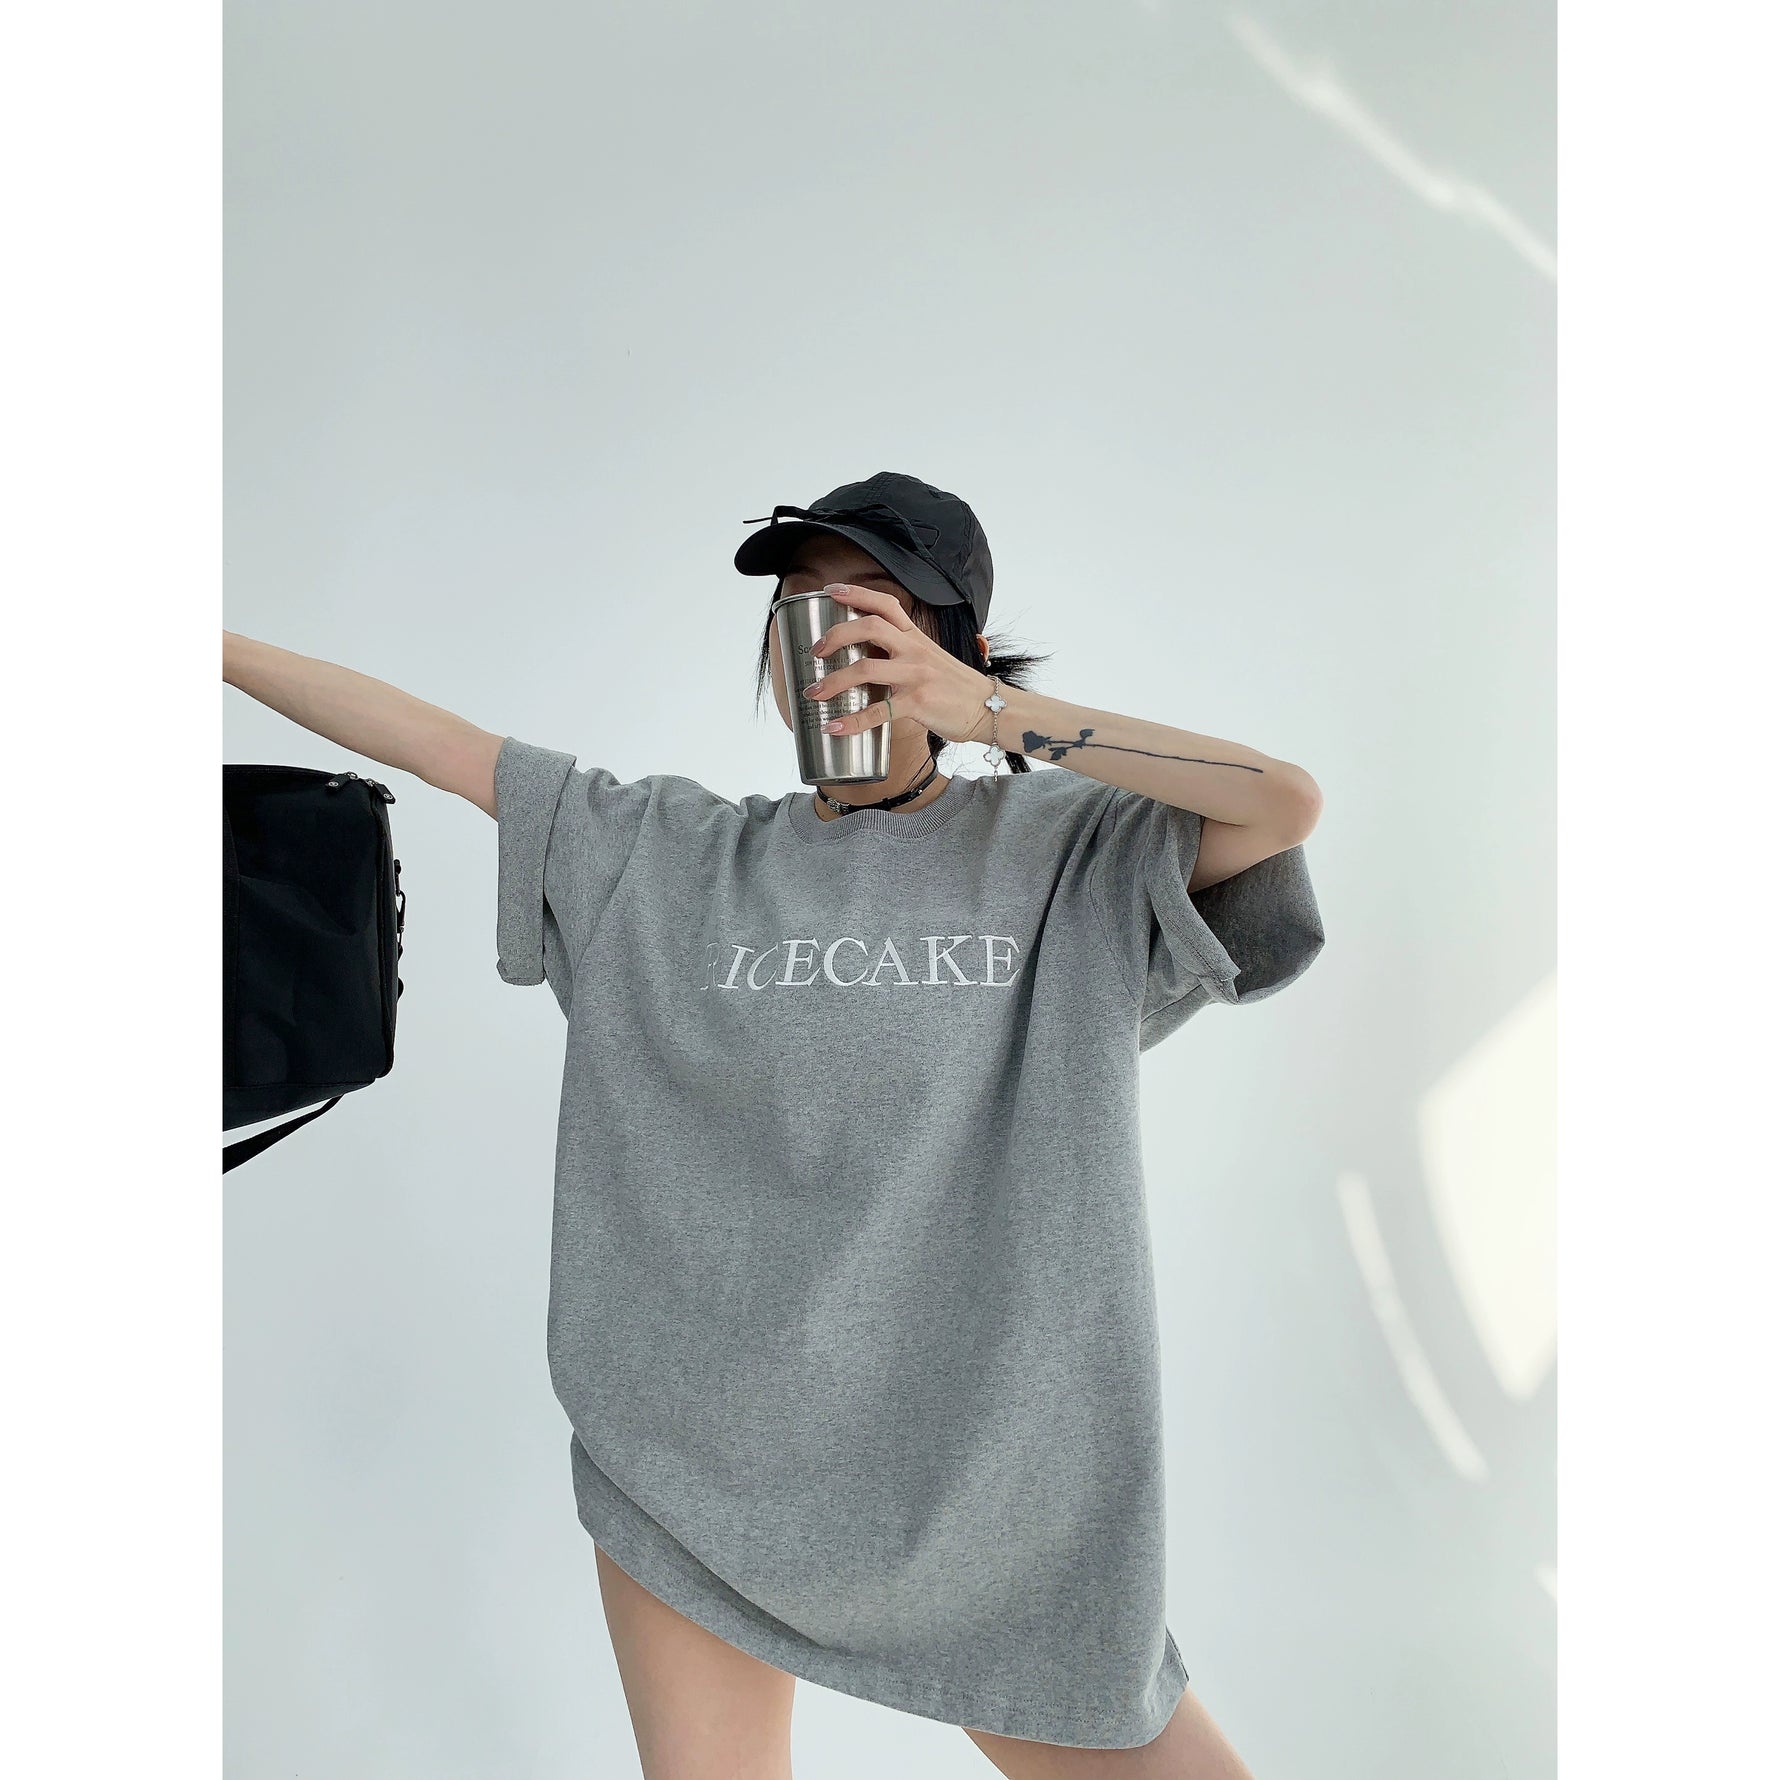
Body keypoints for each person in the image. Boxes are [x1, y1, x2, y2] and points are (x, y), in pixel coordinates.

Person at [223, 470, 1326, 1779]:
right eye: (800, 607)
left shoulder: (1071, 853)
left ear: (955, 638)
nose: (828, 635)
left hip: (988, 1487)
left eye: (870, 608)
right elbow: (437, 744)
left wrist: (988, 713)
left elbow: (1278, 801)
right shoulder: (672, 853)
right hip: (695, 1467)